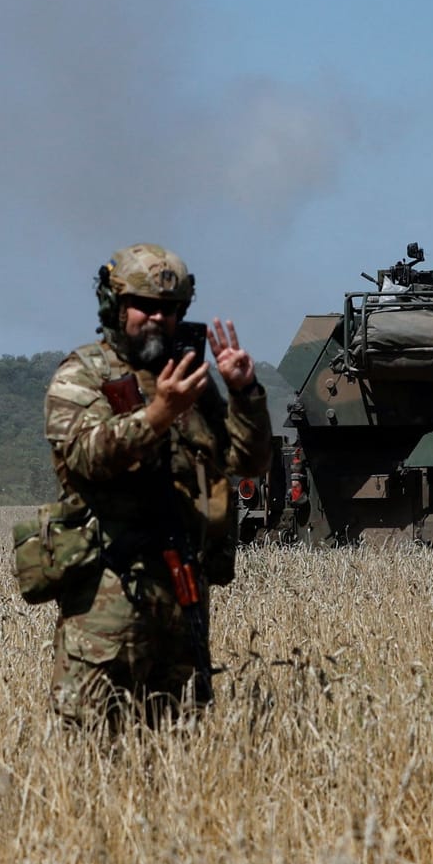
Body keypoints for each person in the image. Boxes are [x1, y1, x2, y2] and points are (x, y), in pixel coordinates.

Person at [42, 242, 271, 729]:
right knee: (95, 747)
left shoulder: (194, 384)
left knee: (179, 746)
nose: (156, 319)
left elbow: (248, 463)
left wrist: (245, 395)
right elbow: (85, 456)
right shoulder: (83, 374)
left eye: (168, 310)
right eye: (143, 306)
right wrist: (157, 416)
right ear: (115, 306)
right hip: (108, 599)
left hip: (183, 592)